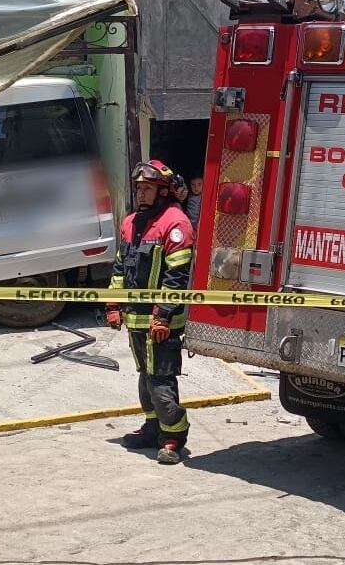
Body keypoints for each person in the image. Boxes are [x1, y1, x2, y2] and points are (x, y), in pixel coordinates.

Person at [105, 159, 195, 465]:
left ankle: (173, 437)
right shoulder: (130, 223)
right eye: (139, 188)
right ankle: (153, 427)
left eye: (148, 189)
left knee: (161, 379)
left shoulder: (176, 223)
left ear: (163, 191)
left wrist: (164, 315)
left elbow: (177, 277)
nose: (141, 194)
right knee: (145, 378)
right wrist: (114, 304)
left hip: (162, 322)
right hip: (136, 318)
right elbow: (120, 268)